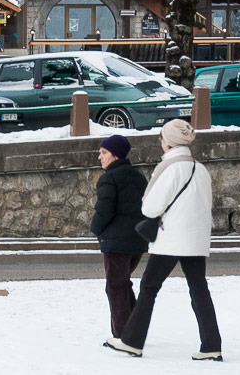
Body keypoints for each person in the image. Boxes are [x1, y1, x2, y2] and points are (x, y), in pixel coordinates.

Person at [120, 120, 221, 360]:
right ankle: (211, 345)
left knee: (149, 288)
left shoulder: (169, 168)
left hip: (172, 238)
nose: (160, 141)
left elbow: (151, 208)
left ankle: (133, 341)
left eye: (161, 137)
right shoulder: (201, 169)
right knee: (199, 290)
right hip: (196, 239)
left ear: (168, 142)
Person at [91, 134, 148, 355]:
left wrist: (96, 230)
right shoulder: (138, 176)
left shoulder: (109, 178)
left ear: (115, 155)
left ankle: (124, 336)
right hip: (137, 241)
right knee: (123, 284)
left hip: (117, 242)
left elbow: (104, 210)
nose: (99, 157)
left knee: (115, 287)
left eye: (104, 153)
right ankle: (135, 331)